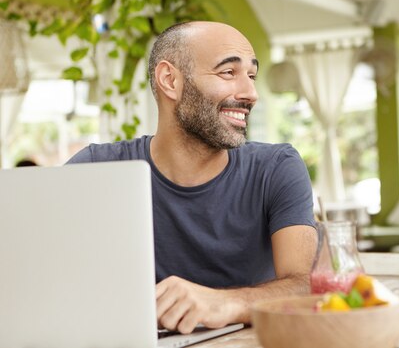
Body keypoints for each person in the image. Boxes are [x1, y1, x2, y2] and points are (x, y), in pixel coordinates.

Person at [67, 21, 318, 333]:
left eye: (251, 75)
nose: (251, 93)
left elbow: (307, 287)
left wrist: (225, 304)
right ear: (170, 80)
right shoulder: (94, 169)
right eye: (229, 72)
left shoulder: (276, 168)